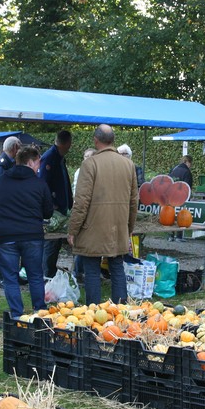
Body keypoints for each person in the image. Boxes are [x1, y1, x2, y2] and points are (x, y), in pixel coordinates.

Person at [68, 124, 138, 305]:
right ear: (113, 140)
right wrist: (129, 228)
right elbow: (133, 202)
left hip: (93, 228)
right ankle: (121, 312)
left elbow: (81, 201)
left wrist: (73, 230)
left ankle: (93, 314)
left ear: (95, 140)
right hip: (118, 227)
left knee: (91, 271)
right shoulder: (128, 165)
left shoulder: (89, 164)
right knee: (117, 268)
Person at [0, 146, 53, 318]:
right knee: (35, 276)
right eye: (38, 162)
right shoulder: (39, 184)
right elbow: (48, 212)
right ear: (30, 162)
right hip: (32, 235)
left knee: (10, 277)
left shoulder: (1, 181)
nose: (39, 167)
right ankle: (39, 312)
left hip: (6, 236)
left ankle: (17, 315)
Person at [38, 130, 73, 278]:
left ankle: (49, 272)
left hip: (61, 208)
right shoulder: (50, 158)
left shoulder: (58, 157)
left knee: (55, 243)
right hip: (53, 211)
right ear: (67, 144)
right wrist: (51, 205)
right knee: (51, 243)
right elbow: (42, 183)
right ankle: (47, 276)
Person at [0, 136, 20, 288]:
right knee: (3, 244)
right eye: (19, 147)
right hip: (5, 213)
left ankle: (8, 274)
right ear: (15, 147)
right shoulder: (1, 166)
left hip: (11, 212)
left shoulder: (10, 163)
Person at [72, 147, 96, 282]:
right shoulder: (79, 172)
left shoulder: (96, 171)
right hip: (82, 211)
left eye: (89, 157)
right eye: (85, 157)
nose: (87, 159)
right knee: (81, 243)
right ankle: (78, 272)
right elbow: (78, 194)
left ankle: (86, 272)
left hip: (93, 213)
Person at [168, 155, 193, 242]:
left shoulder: (174, 169)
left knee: (170, 214)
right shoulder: (186, 172)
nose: (191, 166)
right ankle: (179, 236)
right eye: (191, 163)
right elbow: (187, 187)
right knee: (182, 215)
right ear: (187, 162)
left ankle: (170, 235)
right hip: (181, 197)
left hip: (171, 195)